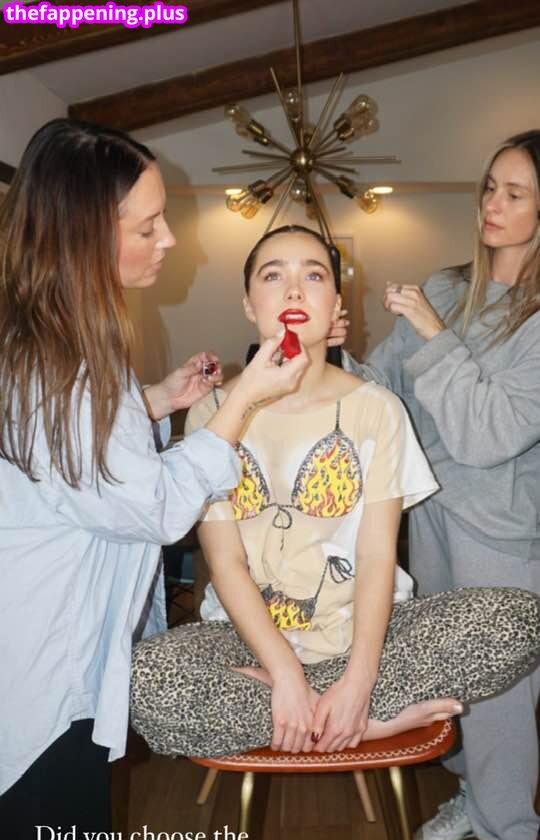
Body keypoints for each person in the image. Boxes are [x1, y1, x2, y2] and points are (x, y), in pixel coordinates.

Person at [0, 119, 309, 840]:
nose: (169, 240)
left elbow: (76, 449)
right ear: (84, 238)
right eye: (147, 227)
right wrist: (240, 404)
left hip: (52, 658)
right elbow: (158, 508)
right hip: (40, 678)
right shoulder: (60, 363)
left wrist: (155, 400)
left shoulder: (52, 338)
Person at [131, 225, 539, 804]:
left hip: (364, 639)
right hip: (247, 642)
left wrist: (359, 678)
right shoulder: (214, 412)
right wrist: (286, 675)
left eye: (314, 275)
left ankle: (330, 705)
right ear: (248, 304)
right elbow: (226, 565)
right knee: (144, 678)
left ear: (336, 306)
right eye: (274, 275)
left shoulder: (378, 409)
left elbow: (375, 557)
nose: (294, 290)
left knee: (518, 620)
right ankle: (365, 722)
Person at [327, 129, 540, 840]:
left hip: (505, 534)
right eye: (490, 185)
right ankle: (473, 800)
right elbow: (386, 390)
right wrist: (337, 356)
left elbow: (488, 433)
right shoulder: (450, 286)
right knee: (446, 676)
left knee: (498, 701)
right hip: (434, 515)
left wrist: (433, 331)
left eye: (515, 193)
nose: (491, 203)